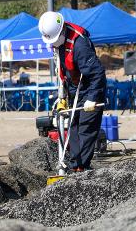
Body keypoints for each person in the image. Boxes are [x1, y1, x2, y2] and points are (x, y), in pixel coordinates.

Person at [38, 11, 106, 172]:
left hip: (90, 89)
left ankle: (82, 167)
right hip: (75, 90)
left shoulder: (79, 45)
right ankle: (76, 165)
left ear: (62, 31)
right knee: (73, 128)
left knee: (86, 129)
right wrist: (63, 97)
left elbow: (97, 73)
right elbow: (64, 73)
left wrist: (93, 98)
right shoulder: (60, 45)